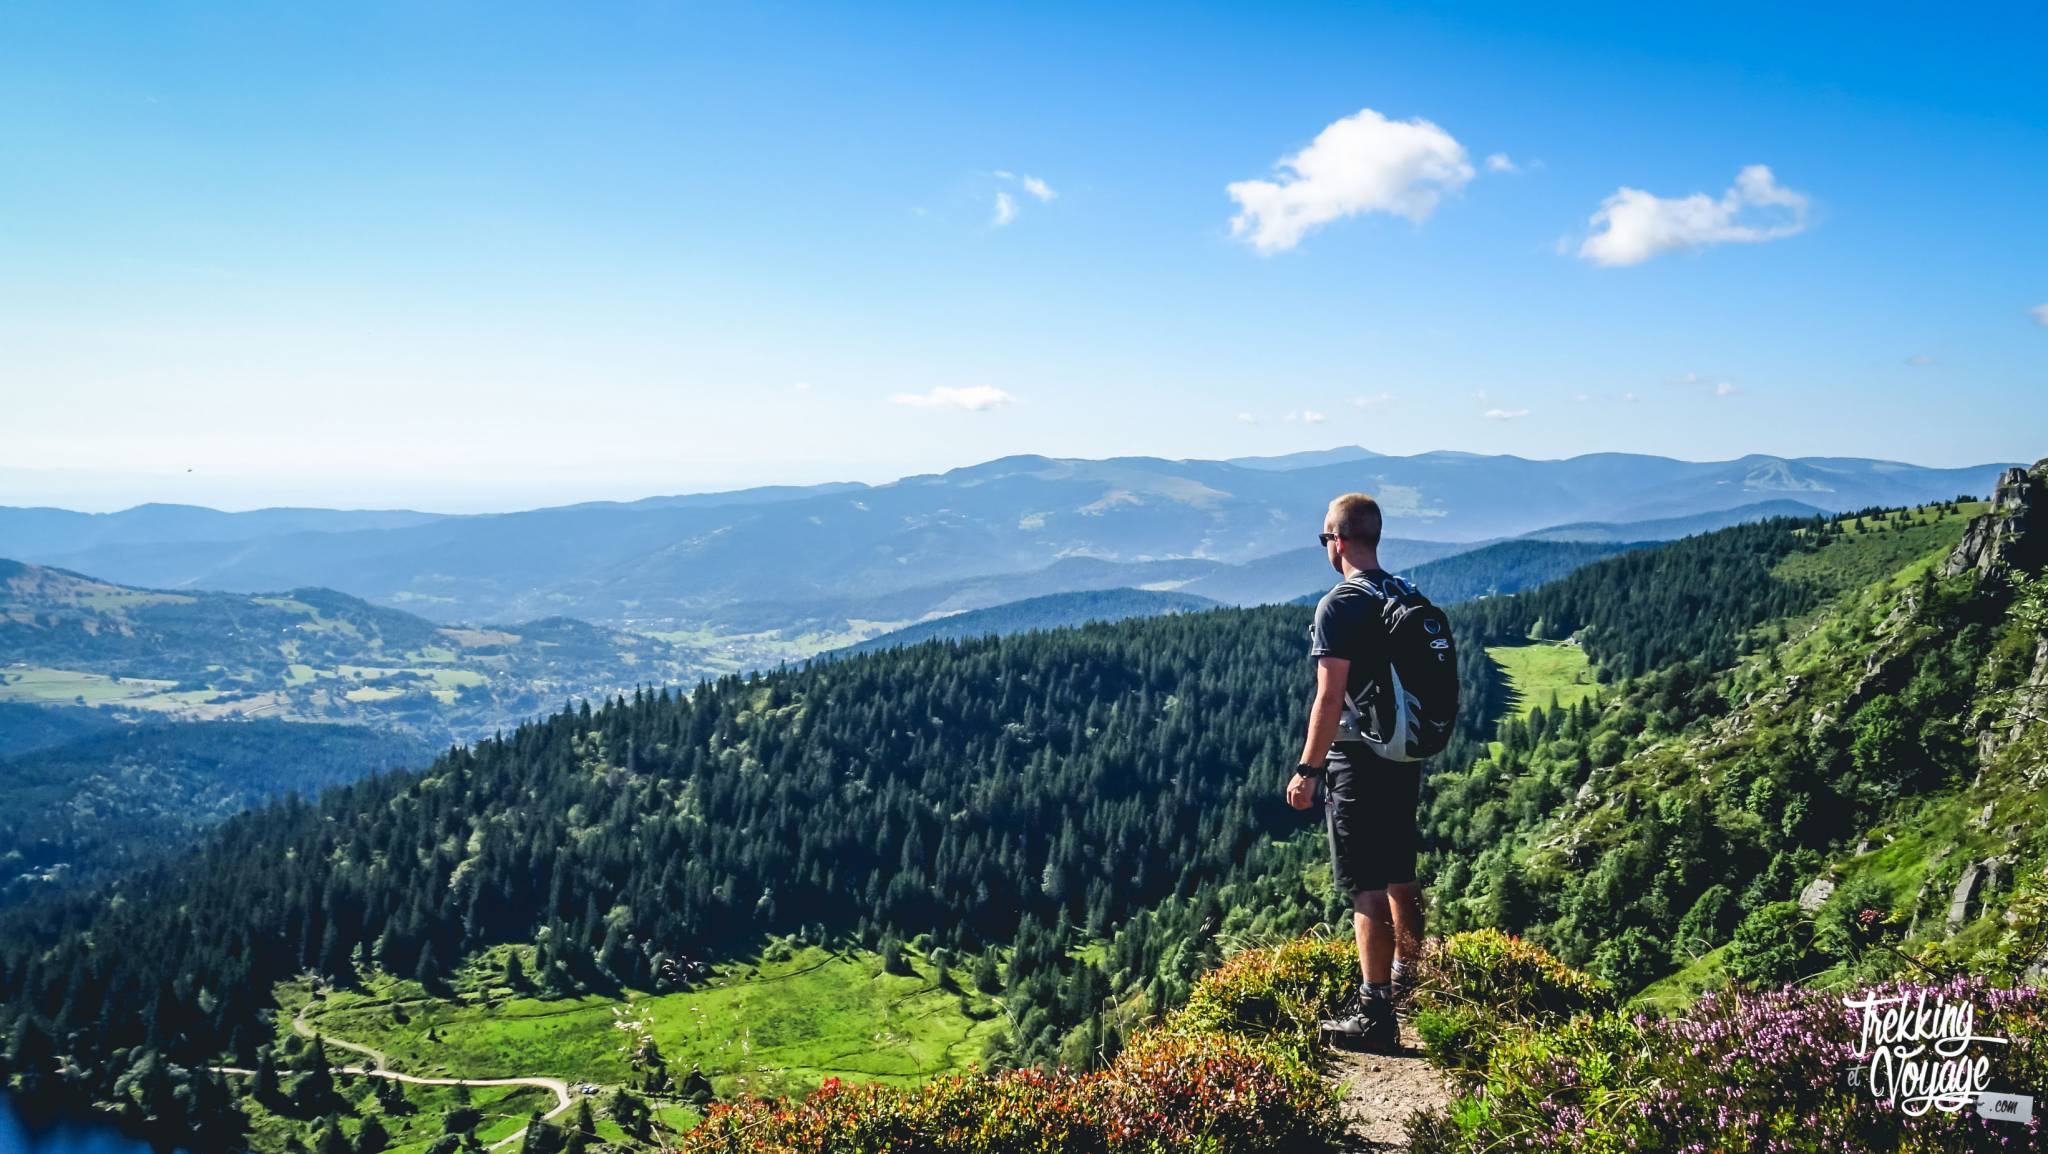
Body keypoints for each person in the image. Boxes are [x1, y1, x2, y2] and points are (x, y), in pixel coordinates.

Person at [1285, 491, 1425, 1053]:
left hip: (1356, 757)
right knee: (1401, 873)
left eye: (1325, 538)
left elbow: (1328, 696)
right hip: (1402, 752)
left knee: (1364, 885)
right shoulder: (1404, 593)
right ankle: (1411, 983)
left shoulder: (1339, 604)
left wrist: (1307, 769)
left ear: (1337, 540)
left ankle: (1374, 1013)